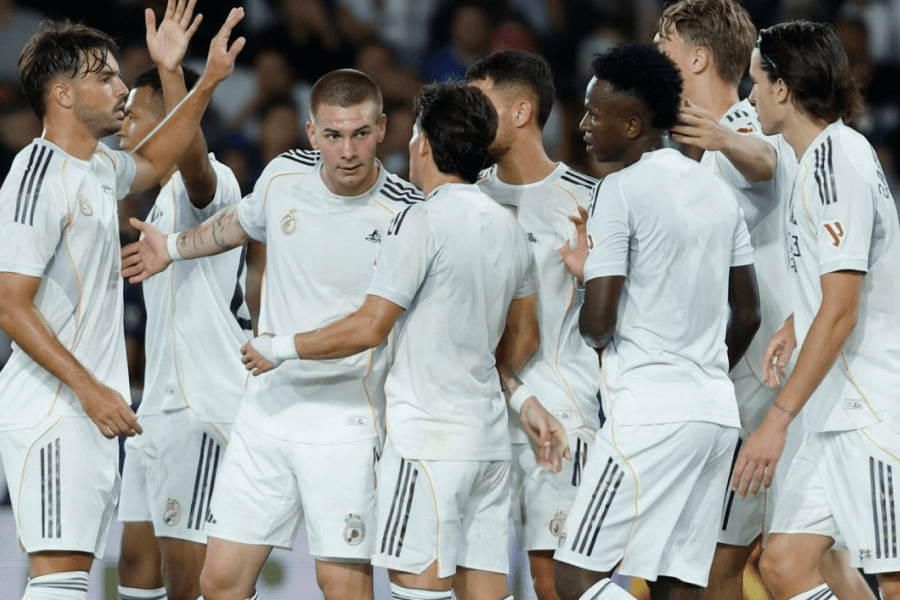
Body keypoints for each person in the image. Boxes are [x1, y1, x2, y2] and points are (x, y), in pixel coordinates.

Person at [238, 82, 569, 600]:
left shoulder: (419, 219)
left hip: (425, 443)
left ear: (422, 145)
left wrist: (279, 347)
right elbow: (524, 333)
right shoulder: (507, 225)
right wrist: (521, 397)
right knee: (484, 592)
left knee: (419, 593)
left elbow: (369, 326)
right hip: (485, 442)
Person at [121, 68, 423, 600]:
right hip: (266, 412)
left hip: (345, 420)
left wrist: (282, 348)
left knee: (340, 584)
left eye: (359, 134)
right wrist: (170, 248)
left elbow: (376, 327)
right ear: (311, 133)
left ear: (382, 130)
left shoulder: (407, 211)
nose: (347, 150)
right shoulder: (283, 176)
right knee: (219, 582)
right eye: (332, 135)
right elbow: (234, 224)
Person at [0, 4, 245, 599]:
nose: (118, 89)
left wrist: (201, 78)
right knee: (58, 581)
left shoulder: (98, 169)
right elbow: (9, 304)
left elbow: (162, 157)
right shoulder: (35, 173)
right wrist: (90, 390)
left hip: (96, 412)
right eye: (104, 78)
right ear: (62, 94)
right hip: (59, 408)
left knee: (75, 578)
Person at [653, 4, 876, 600]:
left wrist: (724, 137)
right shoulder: (785, 152)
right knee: (794, 562)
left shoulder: (769, 130)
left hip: (799, 388)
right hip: (792, 372)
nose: (653, 48)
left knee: (726, 560)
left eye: (663, 40)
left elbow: (763, 160)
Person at [551, 43, 761, 600]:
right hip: (715, 413)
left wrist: (587, 280)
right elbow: (749, 312)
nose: (585, 123)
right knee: (677, 585)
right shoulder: (718, 193)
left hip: (649, 413)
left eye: (597, 113)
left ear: (635, 122)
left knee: (574, 576)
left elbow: (598, 324)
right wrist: (702, 367)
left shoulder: (619, 189)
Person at [732, 20, 900, 600]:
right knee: (782, 563)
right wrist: (794, 322)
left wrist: (776, 421)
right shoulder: (815, 162)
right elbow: (839, 283)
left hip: (869, 408)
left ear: (783, 88)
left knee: (894, 578)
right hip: (832, 410)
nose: (749, 98)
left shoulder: (835, 160)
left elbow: (844, 309)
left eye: (755, 83)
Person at [114, 3, 250, 600]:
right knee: (135, 572)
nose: (120, 125)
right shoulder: (153, 199)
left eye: (132, 115)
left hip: (201, 409)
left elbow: (189, 153)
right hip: (158, 410)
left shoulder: (212, 185)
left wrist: (174, 74)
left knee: (185, 586)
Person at [465, 49, 601, 600]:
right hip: (477, 413)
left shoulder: (589, 202)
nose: (470, 118)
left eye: (482, 104)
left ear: (521, 112)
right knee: (473, 581)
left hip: (560, 414)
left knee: (555, 582)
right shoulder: (463, 199)